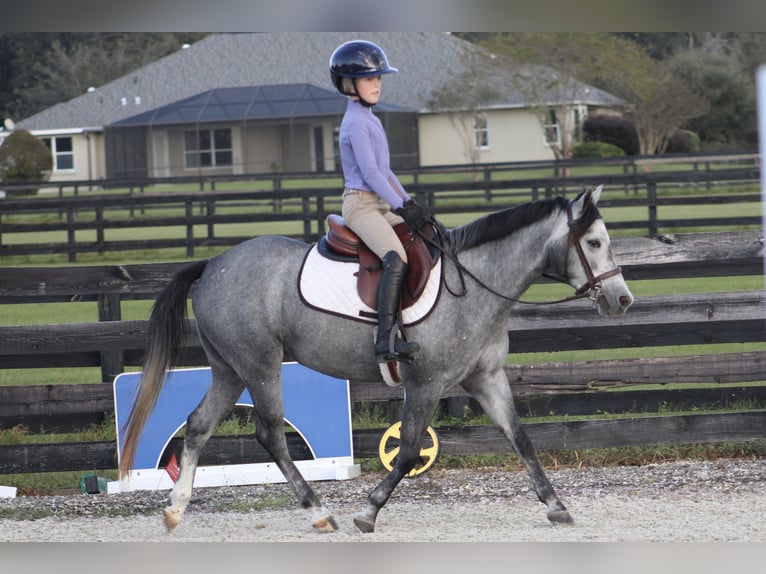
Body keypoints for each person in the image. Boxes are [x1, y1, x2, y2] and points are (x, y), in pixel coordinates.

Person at [329, 39, 430, 364]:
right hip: (361, 206)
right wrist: (401, 206)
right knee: (396, 257)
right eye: (370, 79)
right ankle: (385, 339)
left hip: (380, 204)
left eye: (379, 79)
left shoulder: (369, 118)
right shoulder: (356, 123)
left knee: (424, 238)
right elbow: (371, 174)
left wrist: (408, 203)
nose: (377, 85)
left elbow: (385, 171)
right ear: (349, 84)